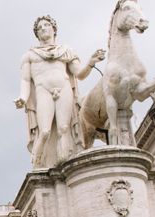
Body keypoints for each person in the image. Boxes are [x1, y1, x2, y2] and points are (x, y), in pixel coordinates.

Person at [15, 15, 105, 168]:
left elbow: (79, 74)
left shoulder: (65, 50)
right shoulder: (30, 55)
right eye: (39, 27)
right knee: (44, 131)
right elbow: (25, 80)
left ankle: (65, 166)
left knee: (64, 128)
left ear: (54, 29)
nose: (43, 28)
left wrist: (90, 63)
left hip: (63, 88)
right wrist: (23, 97)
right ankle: (38, 164)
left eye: (46, 25)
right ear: (36, 34)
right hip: (43, 90)